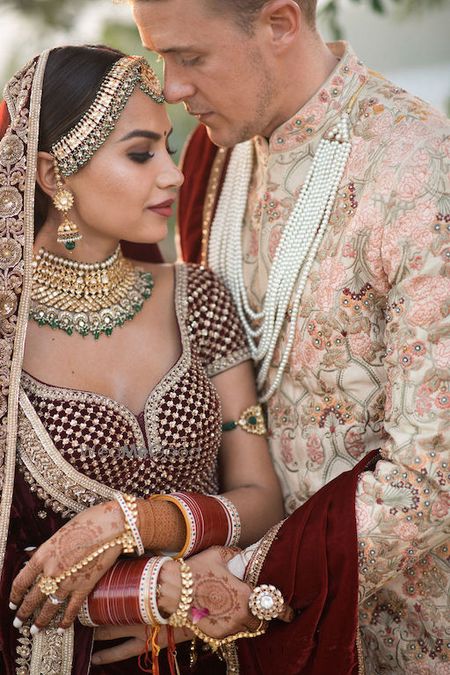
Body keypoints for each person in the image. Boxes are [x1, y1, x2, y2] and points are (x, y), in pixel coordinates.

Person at [92, 0, 449, 672]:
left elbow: (435, 480)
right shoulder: (214, 154)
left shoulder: (420, 175)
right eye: (159, 55)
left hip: (394, 638)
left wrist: (228, 579)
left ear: (281, 23)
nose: (169, 88)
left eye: (190, 57)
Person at [0, 45, 285, 674]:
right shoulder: (6, 337)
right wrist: (143, 592)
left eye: (169, 146)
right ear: (51, 175)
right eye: (139, 153)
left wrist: (134, 525)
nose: (174, 175)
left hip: (209, 648)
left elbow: (261, 493)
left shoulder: (198, 299)